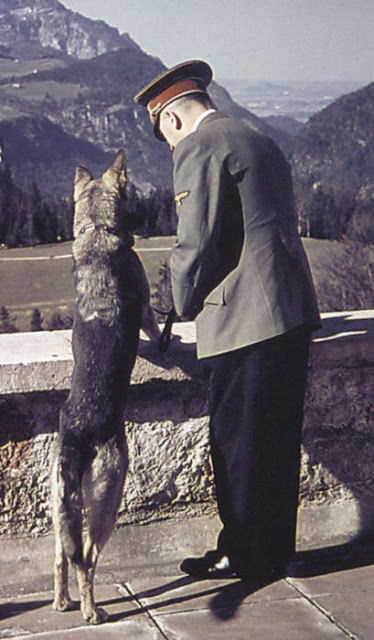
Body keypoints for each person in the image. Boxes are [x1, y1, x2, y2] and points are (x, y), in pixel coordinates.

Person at [134, 60, 320, 583]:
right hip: (291, 309)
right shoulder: (256, 136)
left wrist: (174, 304)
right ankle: (271, 553)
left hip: (245, 318)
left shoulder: (198, 146)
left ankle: (243, 555)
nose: (170, 147)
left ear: (171, 119)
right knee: (276, 443)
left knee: (236, 443)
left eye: (164, 137)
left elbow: (197, 243)